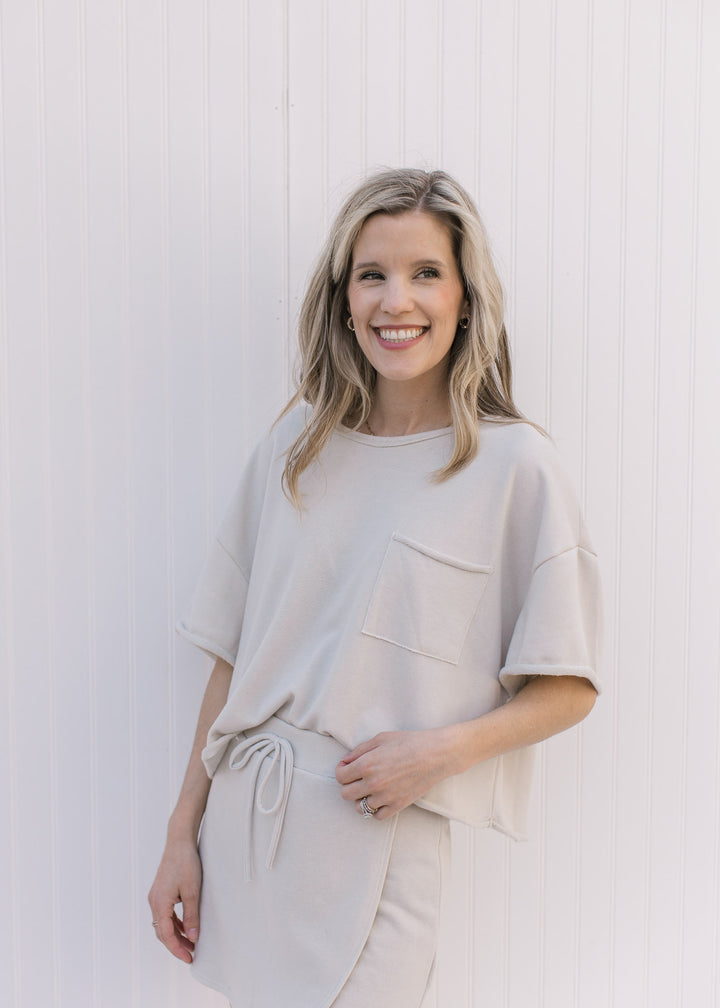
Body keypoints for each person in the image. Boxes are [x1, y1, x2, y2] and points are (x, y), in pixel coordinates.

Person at [148, 168, 601, 1007]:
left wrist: (437, 754)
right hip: (249, 831)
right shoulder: (296, 444)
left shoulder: (513, 467)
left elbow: (568, 687)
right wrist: (182, 835)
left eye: (426, 272)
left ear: (467, 298)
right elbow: (232, 654)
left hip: (380, 834)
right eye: (373, 275)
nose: (398, 301)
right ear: (343, 298)